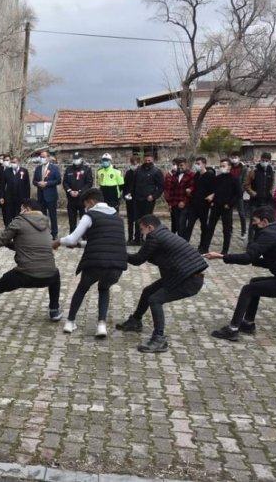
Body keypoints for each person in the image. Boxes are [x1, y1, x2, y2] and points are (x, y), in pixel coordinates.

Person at [206, 206, 276, 341]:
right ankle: (248, 323)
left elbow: (248, 258)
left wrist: (222, 256)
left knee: (248, 290)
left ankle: (232, 329)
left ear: (264, 221)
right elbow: (275, 260)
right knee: (255, 283)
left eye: (254, 221)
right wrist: (255, 260)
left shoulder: (268, 234)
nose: (253, 224)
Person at [116, 215, 208, 353]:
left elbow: (138, 259)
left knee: (155, 299)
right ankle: (135, 321)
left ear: (150, 227)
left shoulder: (154, 237)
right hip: (183, 276)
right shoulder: (163, 233)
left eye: (142, 230)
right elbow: (156, 258)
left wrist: (119, 253)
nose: (141, 233)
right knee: (148, 292)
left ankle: (159, 339)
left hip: (188, 280)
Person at [55, 188, 127, 337]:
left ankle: (70, 322)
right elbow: (102, 241)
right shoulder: (117, 218)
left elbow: (71, 238)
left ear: (91, 202)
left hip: (96, 262)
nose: (86, 208)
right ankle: (101, 325)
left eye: (86, 205)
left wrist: (57, 242)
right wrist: (80, 245)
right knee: (104, 289)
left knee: (82, 289)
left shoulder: (90, 215)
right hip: (116, 264)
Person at [199, 159, 241, 255]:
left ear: (230, 166)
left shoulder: (234, 179)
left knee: (226, 230)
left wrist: (230, 204)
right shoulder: (218, 178)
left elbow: (238, 194)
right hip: (216, 206)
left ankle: (225, 250)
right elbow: (214, 191)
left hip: (226, 207)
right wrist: (212, 200)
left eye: (224, 166)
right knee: (210, 227)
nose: (222, 168)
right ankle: (205, 248)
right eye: (221, 166)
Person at [131, 152, 164, 244]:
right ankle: (137, 239)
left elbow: (161, 187)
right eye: (146, 160)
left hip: (148, 200)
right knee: (137, 220)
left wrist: (154, 196)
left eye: (149, 160)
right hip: (137, 199)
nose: (147, 162)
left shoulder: (156, 171)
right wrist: (132, 195)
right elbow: (134, 184)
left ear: (153, 160)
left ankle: (148, 239)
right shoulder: (138, 170)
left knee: (148, 220)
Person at [183, 157, 216, 249]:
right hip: (194, 204)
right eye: (196, 164)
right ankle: (184, 245)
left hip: (204, 205)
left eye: (198, 164)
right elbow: (195, 187)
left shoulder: (210, 176)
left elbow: (216, 189)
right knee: (189, 225)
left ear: (204, 164)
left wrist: (212, 196)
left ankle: (203, 246)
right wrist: (190, 191)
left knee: (204, 226)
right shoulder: (196, 175)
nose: (196, 165)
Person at [244, 152, 275, 241]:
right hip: (255, 201)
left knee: (265, 222)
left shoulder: (271, 171)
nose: (264, 162)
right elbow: (246, 184)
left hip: (267, 201)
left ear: (269, 161)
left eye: (267, 160)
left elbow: (272, 183)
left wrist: (271, 191)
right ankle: (250, 243)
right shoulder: (254, 171)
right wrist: (253, 193)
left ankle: (261, 241)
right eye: (263, 160)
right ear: (260, 159)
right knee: (253, 222)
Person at [32, 150, 62, 240]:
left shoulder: (54, 168)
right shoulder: (38, 168)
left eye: (44, 157)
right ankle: (44, 232)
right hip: (41, 196)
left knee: (53, 215)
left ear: (48, 158)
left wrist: (47, 183)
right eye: (41, 157)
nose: (42, 159)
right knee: (42, 216)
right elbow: (34, 181)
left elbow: (58, 180)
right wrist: (38, 183)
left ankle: (54, 233)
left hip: (51, 196)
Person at [63, 151, 94, 235]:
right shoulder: (69, 169)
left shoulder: (87, 169)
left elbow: (89, 183)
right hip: (71, 198)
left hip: (82, 199)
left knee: (84, 219)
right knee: (71, 219)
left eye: (77, 159)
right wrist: (69, 191)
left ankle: (84, 236)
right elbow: (65, 182)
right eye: (74, 159)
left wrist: (80, 192)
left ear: (81, 159)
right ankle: (72, 236)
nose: (75, 160)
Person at [163, 158, 194, 236]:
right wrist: (169, 203)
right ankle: (178, 242)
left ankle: (182, 243)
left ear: (186, 165)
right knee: (176, 224)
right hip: (174, 203)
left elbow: (192, 189)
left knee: (182, 224)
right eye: (178, 165)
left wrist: (184, 201)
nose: (180, 167)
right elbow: (171, 190)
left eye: (181, 165)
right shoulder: (175, 175)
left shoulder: (191, 175)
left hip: (184, 204)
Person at [0, 157, 31, 227]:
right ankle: (8, 230)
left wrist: (27, 200)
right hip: (9, 198)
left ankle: (19, 230)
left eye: (14, 162)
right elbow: (2, 185)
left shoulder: (24, 171)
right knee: (8, 216)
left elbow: (27, 186)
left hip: (20, 198)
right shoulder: (7, 171)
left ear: (18, 162)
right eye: (12, 162)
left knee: (19, 216)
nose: (13, 164)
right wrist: (1, 196)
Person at [229, 154, 249, 240]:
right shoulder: (229, 167)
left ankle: (243, 232)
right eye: (233, 157)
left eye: (236, 157)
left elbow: (244, 181)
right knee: (228, 212)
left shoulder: (244, 168)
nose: (234, 159)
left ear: (239, 158)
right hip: (229, 193)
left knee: (241, 213)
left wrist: (240, 191)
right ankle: (229, 230)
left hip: (239, 193)